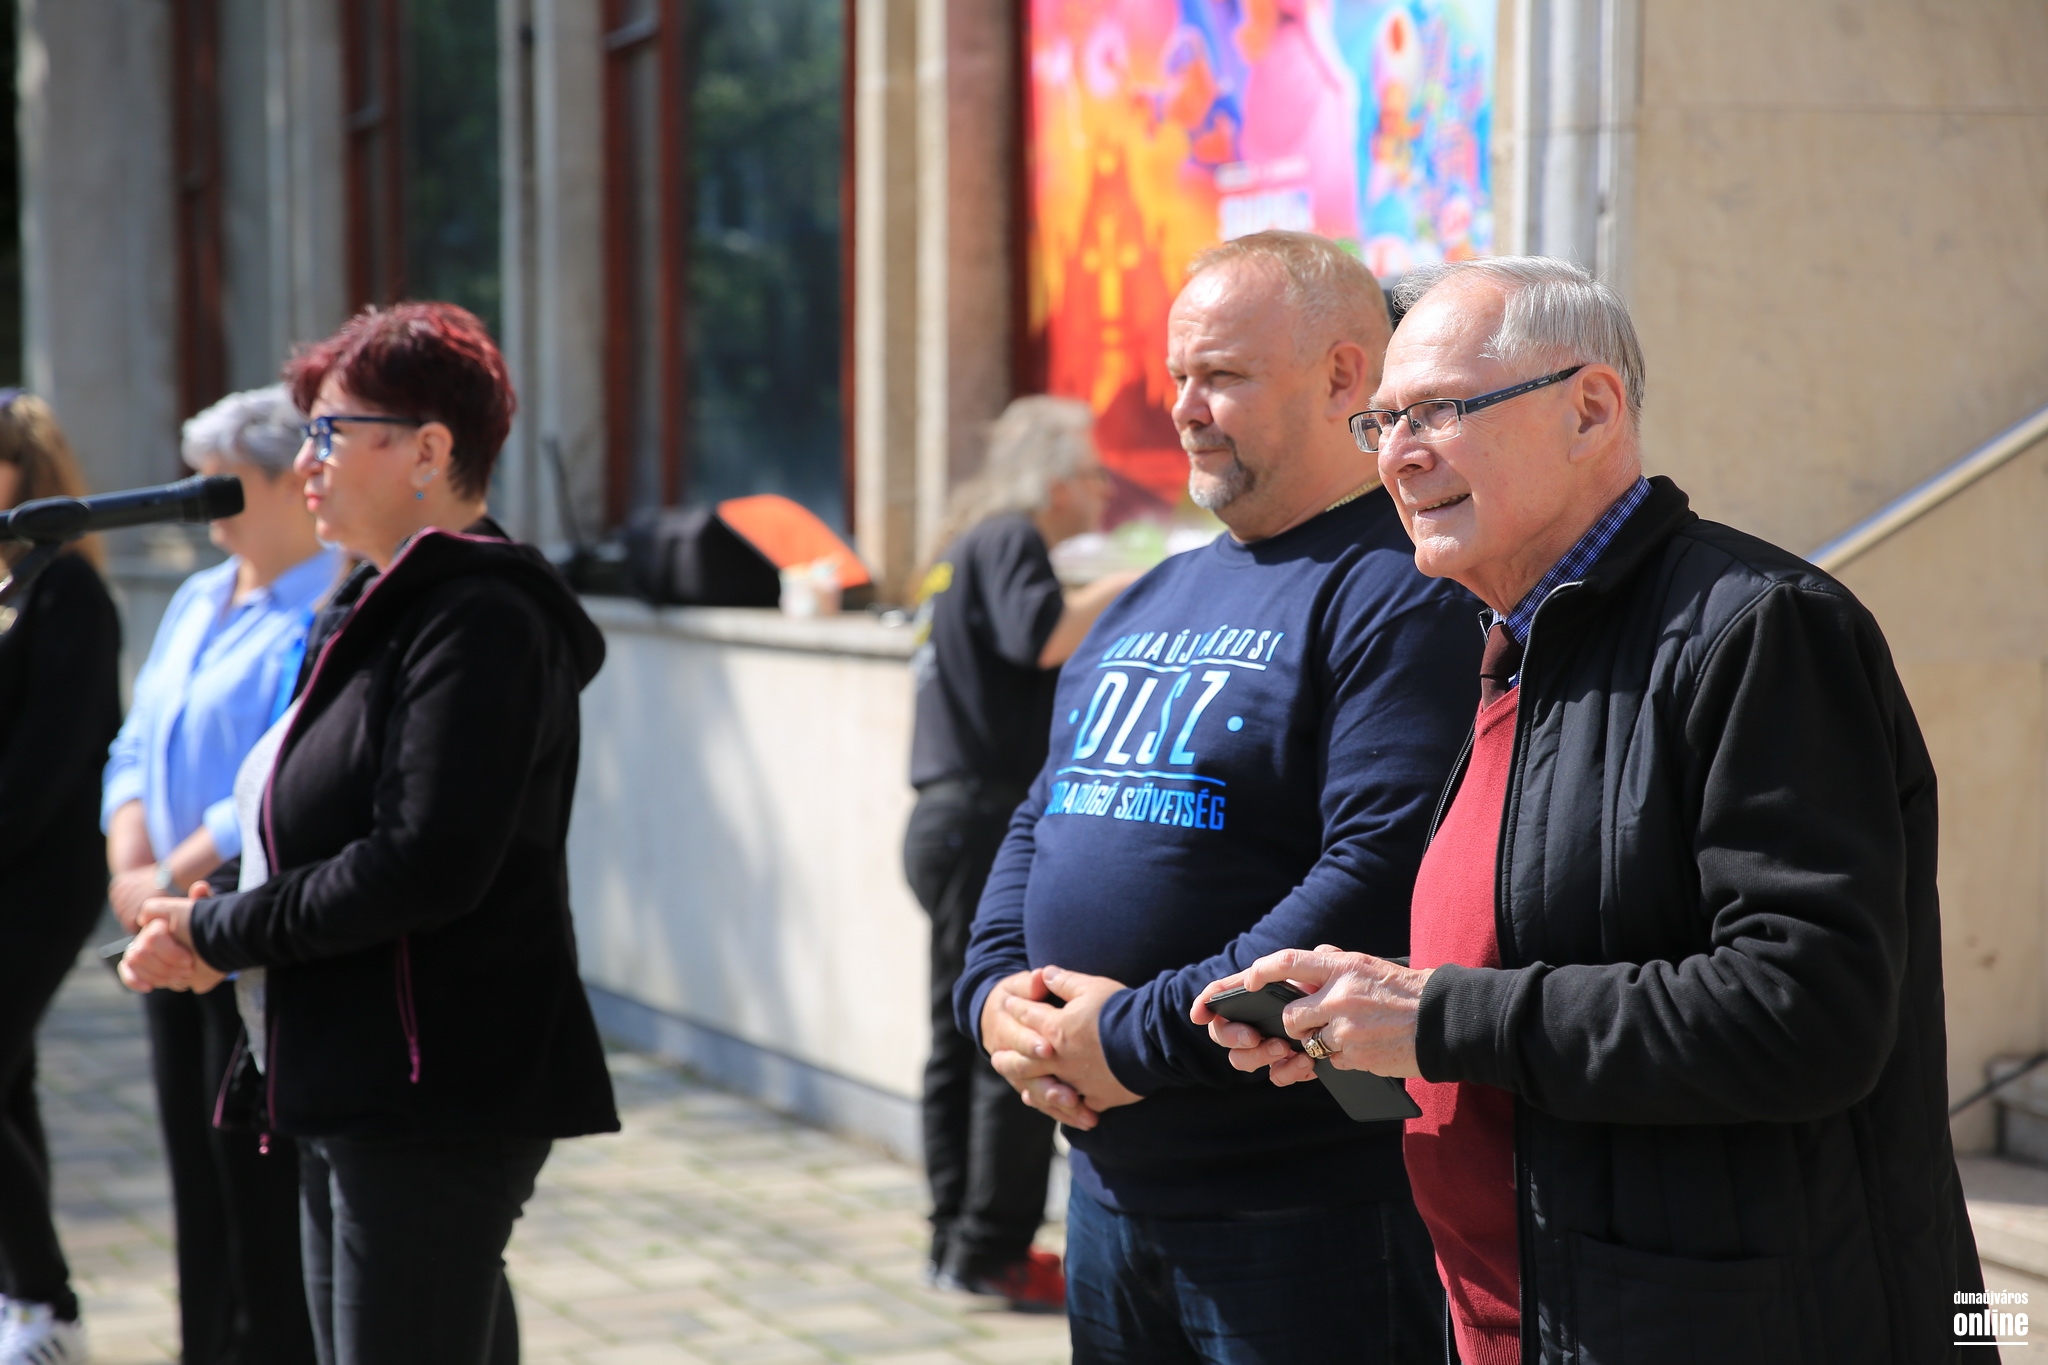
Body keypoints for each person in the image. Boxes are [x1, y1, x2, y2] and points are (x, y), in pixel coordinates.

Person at [1198, 256, 1984, 1363]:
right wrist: (1364, 1019)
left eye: (1439, 410)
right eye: (1383, 421)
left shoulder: (1761, 630)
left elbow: (1806, 1010)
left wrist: (1437, 1017)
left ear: (1590, 409)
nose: (1398, 455)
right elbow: (1555, 948)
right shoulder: (1513, 642)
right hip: (1528, 1312)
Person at [955, 230, 1479, 1362]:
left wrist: (1129, 1041)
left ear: (1343, 378)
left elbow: (1375, 877)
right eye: (1177, 376)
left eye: (1222, 376)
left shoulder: (1405, 589)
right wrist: (994, 994)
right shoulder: (1151, 594)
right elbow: (1041, 813)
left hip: (1303, 1214)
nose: (1184, 410)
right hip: (1110, 1194)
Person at [118, 301, 620, 1365]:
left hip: (429, 1094)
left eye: (331, 433)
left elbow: (420, 862)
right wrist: (210, 917)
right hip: (347, 1078)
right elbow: (310, 826)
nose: (306, 462)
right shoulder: (370, 604)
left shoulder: (480, 618)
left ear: (429, 451)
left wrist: (221, 933)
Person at [102, 383, 336, 1365]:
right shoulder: (200, 595)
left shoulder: (325, 604)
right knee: (196, 1177)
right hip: (164, 923)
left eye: (220, 482)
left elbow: (280, 776)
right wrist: (129, 863)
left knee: (259, 1186)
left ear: (286, 482)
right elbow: (135, 740)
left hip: (241, 926)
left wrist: (170, 874)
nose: (200, 499)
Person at [906, 395, 1136, 1309]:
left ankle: (955, 1242)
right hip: (979, 817)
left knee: (955, 1033)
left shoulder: (963, 546)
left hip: (943, 816)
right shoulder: (1009, 537)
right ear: (1054, 482)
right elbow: (1041, 636)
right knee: (1010, 1028)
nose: (1101, 495)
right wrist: (1149, 580)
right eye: (1092, 477)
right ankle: (991, 1249)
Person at [0, 391, 121, 1365]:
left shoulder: (68, 588)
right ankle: (28, 1298)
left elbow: (45, 765)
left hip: (42, 876)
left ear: (24, 472)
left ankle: (48, 1302)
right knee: (12, 1084)